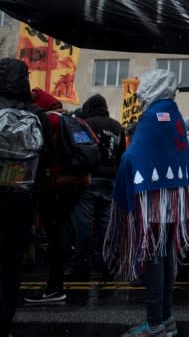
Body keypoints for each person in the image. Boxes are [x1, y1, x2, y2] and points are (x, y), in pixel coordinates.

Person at [104, 69, 189, 337]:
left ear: (151, 88)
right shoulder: (173, 113)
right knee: (166, 252)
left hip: (153, 197)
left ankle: (155, 322)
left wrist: (124, 172)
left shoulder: (152, 117)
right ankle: (166, 318)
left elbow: (132, 155)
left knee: (153, 254)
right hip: (174, 195)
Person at [0, 59, 51, 337]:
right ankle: (6, 322)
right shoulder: (38, 113)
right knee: (12, 264)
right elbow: (47, 160)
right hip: (22, 201)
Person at [24, 88, 89, 304]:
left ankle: (54, 287)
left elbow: (45, 154)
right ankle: (57, 284)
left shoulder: (49, 121)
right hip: (77, 182)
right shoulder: (72, 118)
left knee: (54, 235)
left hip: (56, 185)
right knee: (61, 231)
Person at [67, 94, 126, 279]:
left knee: (83, 225)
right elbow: (121, 155)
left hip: (89, 180)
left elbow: (78, 151)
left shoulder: (85, 124)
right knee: (105, 225)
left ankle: (81, 264)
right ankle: (107, 262)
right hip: (110, 181)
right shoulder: (117, 126)